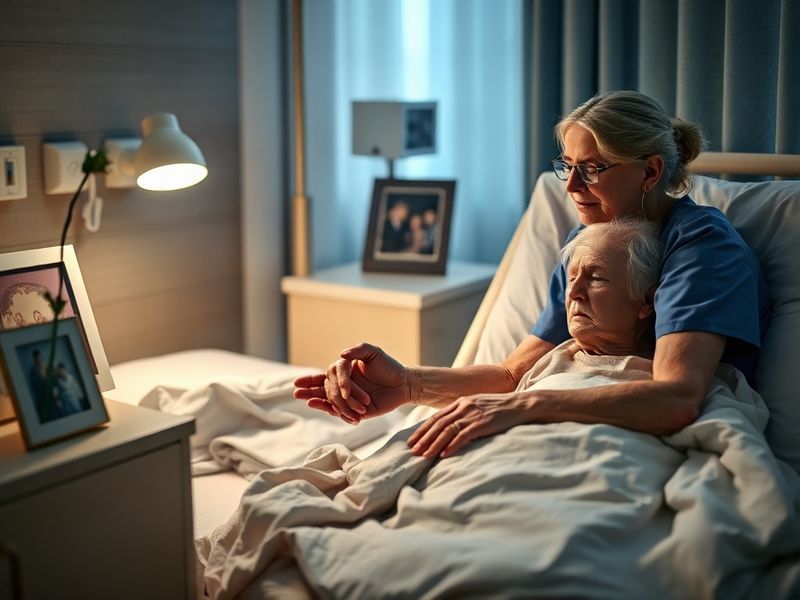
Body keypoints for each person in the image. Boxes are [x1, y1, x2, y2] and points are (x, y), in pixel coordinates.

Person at [295, 89, 769, 456]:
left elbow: (677, 399)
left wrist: (523, 407)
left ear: (650, 172)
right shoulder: (585, 245)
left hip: (643, 446)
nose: (572, 187)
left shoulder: (702, 247)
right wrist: (408, 385)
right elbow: (512, 374)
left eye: (593, 169)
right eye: (567, 166)